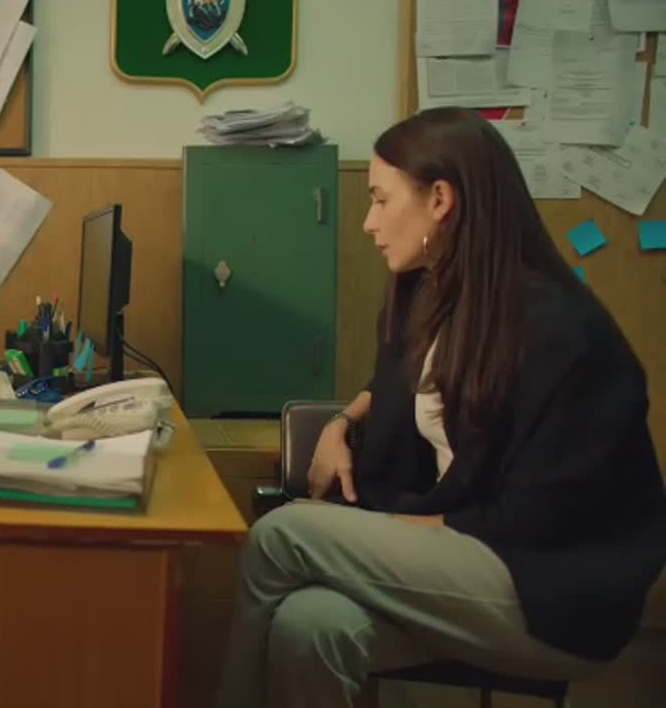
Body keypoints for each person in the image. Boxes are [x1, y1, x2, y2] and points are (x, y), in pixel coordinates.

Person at [214, 107, 666, 708]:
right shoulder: (434, 295)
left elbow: (540, 518)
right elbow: (401, 385)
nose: (369, 222)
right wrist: (343, 423)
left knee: (281, 533)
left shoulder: (561, 331)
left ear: (440, 200)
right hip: (466, 557)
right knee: (310, 625)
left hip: (546, 586)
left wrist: (394, 529)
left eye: (381, 200)